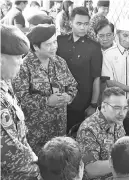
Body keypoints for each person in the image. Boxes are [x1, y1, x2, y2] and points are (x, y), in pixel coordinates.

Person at [13, 24, 77, 155]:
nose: (54, 47)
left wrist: (69, 96)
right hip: (36, 134)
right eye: (48, 44)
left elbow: (73, 85)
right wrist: (46, 101)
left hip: (59, 130)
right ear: (36, 46)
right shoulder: (24, 67)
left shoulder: (60, 62)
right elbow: (20, 99)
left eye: (55, 42)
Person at [1, 24, 40, 180]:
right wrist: (40, 172)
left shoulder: (5, 81)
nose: (22, 62)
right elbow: (9, 153)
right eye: (18, 57)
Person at [57, 7, 102, 133]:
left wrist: (93, 105)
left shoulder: (94, 47)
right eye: (79, 23)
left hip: (81, 103)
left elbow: (96, 77)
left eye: (86, 24)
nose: (83, 27)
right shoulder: (60, 42)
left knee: (76, 139)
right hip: (59, 102)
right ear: (71, 23)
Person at [76, 87, 127, 180]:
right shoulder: (89, 129)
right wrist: (124, 162)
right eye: (117, 108)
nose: (122, 113)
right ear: (104, 106)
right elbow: (92, 169)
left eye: (125, 108)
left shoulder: (117, 123)